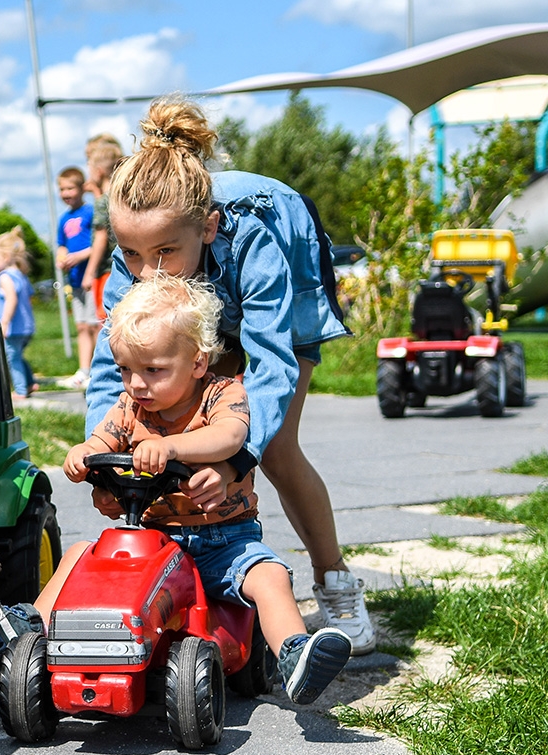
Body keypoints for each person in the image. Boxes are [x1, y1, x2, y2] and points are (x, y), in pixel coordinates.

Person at [0, 273, 352, 705]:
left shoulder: (223, 395)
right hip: (155, 541)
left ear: (197, 362)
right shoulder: (131, 406)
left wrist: (168, 447)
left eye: (152, 370)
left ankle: (295, 655)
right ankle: (28, 625)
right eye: (126, 370)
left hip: (224, 541)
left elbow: (230, 436)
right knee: (80, 554)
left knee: (270, 576)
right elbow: (104, 438)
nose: (136, 384)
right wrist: (84, 454)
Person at [86, 95, 375, 654]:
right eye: (132, 254)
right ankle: (196, 575)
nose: (148, 273)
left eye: (165, 252)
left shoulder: (253, 234)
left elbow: (270, 359)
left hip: (274, 285)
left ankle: (334, 579)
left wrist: (236, 458)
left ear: (209, 226)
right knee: (167, 427)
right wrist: (107, 459)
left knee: (276, 447)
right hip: (196, 307)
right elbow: (109, 366)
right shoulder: (139, 265)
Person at [55, 166, 95, 389]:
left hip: (91, 278)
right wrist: (62, 257)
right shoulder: (64, 219)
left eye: (70, 188)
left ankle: (97, 369)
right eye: (62, 189)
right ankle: (83, 370)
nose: (66, 193)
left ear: (82, 188)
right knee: (81, 326)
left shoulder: (90, 212)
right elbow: (61, 244)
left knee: (95, 325)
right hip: (76, 279)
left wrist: (78, 257)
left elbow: (98, 245)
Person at [0, 226, 37, 399]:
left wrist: (5, 322)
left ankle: (21, 389)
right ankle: (31, 382)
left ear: (6, 257)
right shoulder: (21, 275)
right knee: (18, 355)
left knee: (12, 358)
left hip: (13, 328)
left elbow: (11, 299)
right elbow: (29, 297)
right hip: (26, 326)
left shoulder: (5, 277)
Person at [81, 133, 124, 323]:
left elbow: (101, 238)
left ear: (98, 171)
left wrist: (89, 273)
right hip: (121, 266)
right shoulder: (120, 198)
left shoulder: (102, 203)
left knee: (106, 321)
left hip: (105, 271)